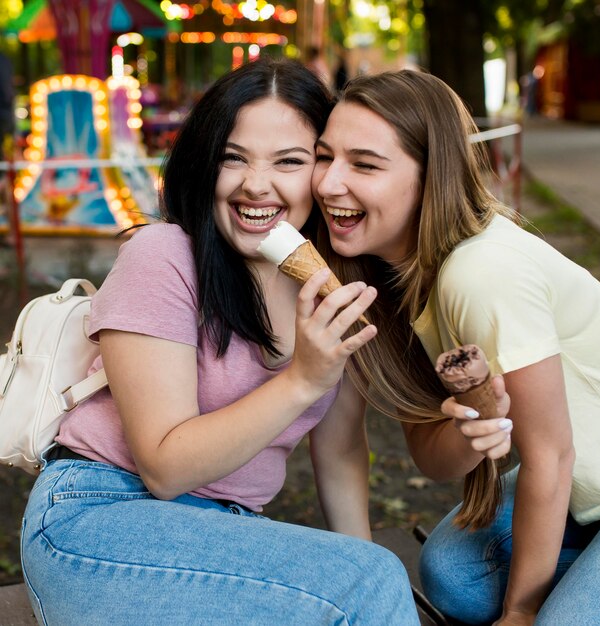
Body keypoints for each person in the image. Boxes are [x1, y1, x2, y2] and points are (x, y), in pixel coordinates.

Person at [20, 58, 422, 625]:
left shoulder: (334, 280)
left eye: (290, 162)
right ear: (206, 162)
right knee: (372, 580)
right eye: (233, 158)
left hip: (223, 533)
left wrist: (355, 562)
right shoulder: (163, 256)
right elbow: (165, 467)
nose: (255, 184)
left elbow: (339, 453)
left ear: (324, 172)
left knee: (370, 574)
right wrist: (302, 379)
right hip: (101, 516)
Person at [312, 68, 600, 625]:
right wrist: (468, 428)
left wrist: (523, 611)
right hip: (591, 493)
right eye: (323, 156)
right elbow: (432, 459)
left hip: (598, 480)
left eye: (364, 164)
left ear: (431, 177)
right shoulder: (393, 279)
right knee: (452, 577)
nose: (329, 183)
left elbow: (550, 456)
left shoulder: (479, 274)